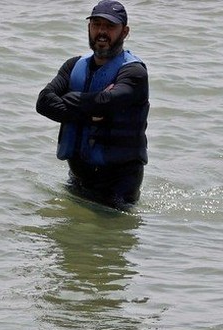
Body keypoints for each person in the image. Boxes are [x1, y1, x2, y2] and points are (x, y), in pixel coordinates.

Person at [35, 1, 149, 208]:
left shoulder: (134, 73)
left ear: (125, 32)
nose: (102, 32)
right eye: (96, 25)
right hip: (78, 176)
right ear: (89, 28)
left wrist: (71, 100)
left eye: (110, 27)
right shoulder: (73, 65)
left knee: (108, 238)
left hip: (118, 184)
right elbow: (44, 101)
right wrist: (89, 114)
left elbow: (108, 102)